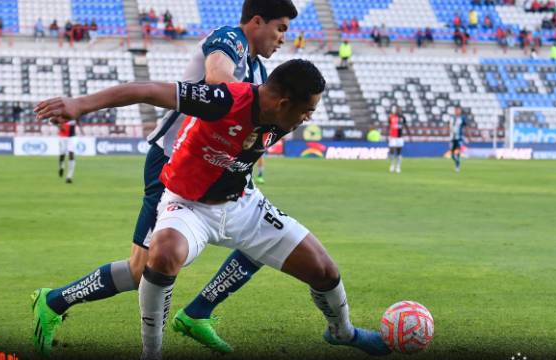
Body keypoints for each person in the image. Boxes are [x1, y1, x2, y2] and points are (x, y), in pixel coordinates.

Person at [35, 59, 392, 360]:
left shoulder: (278, 109)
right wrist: (79, 104)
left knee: (325, 271)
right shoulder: (222, 100)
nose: (307, 118)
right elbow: (145, 89)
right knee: (162, 255)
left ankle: (342, 332)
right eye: (307, 110)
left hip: (244, 205)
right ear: (284, 103)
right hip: (187, 205)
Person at [30, 0, 299, 355]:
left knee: (268, 235)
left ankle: (198, 312)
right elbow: (219, 79)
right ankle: (54, 301)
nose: (283, 38)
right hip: (174, 165)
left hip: (220, 171)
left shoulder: (260, 71)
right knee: (142, 270)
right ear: (257, 21)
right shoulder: (228, 39)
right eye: (280, 28)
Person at [386, 106, 410, 173]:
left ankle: (398, 166)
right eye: (397, 110)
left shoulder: (402, 117)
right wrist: (387, 135)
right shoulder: (391, 117)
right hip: (392, 137)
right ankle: (392, 164)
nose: (398, 111)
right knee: (392, 150)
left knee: (399, 152)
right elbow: (388, 126)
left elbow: (405, 126)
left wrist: (409, 134)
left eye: (399, 110)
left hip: (400, 137)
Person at [57, 118, 81, 183]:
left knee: (71, 153)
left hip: (72, 137)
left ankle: (69, 177)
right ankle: (61, 167)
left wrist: (81, 129)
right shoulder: (62, 112)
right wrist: (60, 126)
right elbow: (56, 121)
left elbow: (78, 121)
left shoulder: (75, 113)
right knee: (62, 154)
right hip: (63, 136)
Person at [449, 106, 468, 172]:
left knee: (458, 151)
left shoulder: (462, 118)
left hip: (459, 138)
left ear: (460, 111)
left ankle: (457, 165)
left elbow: (466, 127)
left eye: (458, 110)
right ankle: (456, 160)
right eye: (456, 110)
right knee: (452, 154)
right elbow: (449, 126)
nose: (457, 111)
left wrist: (468, 136)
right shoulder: (451, 118)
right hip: (452, 138)